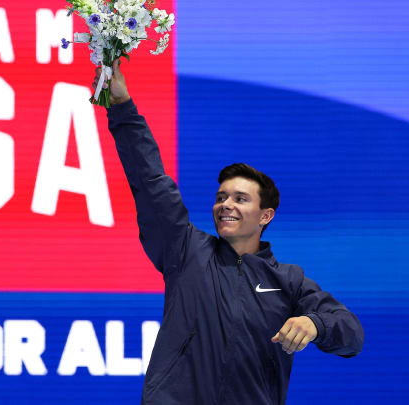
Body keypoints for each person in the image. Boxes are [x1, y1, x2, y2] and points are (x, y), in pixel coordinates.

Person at [93, 60, 364, 405]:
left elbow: (351, 333)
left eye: (240, 198)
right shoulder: (186, 251)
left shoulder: (288, 281)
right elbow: (152, 184)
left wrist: (315, 324)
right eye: (221, 197)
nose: (226, 205)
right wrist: (122, 108)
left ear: (266, 215)